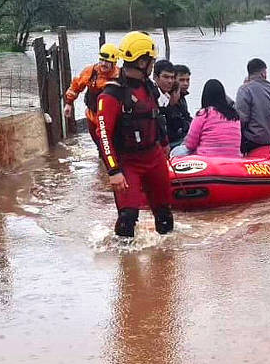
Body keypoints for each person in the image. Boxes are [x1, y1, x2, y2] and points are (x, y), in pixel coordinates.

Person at [94, 31, 173, 238]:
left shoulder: (149, 87)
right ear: (142, 61)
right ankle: (127, 267)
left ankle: (166, 263)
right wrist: (113, 171)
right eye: (151, 60)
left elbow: (157, 117)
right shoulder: (112, 94)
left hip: (154, 156)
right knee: (127, 219)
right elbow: (103, 135)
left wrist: (165, 144)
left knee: (165, 216)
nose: (153, 63)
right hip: (128, 161)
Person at [63, 43, 120, 147]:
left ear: (114, 62)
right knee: (100, 146)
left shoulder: (119, 77)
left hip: (110, 120)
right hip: (92, 117)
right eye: (101, 60)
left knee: (111, 147)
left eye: (107, 61)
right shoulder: (91, 72)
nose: (103, 63)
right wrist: (69, 103)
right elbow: (76, 86)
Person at [181, 79, 242, 157]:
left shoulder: (204, 114)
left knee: (176, 152)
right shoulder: (234, 115)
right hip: (234, 157)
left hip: (207, 159)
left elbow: (190, 144)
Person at [235, 58, 270, 155]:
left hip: (252, 140)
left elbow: (241, 120)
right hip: (269, 137)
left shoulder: (244, 90)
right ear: (263, 74)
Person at [163, 64, 192, 147]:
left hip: (181, 137)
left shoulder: (182, 98)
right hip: (172, 142)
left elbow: (187, 116)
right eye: (182, 80)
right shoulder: (167, 98)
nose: (186, 84)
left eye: (187, 80)